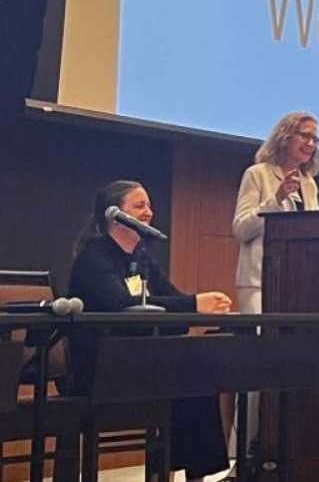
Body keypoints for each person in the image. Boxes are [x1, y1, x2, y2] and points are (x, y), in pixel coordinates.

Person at [68, 180, 233, 481]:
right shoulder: (94, 257)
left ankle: (190, 475)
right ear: (114, 214)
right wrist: (194, 305)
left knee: (197, 373)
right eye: (139, 205)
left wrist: (199, 306)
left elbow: (171, 297)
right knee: (185, 375)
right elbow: (122, 305)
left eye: (149, 205)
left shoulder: (142, 258)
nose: (149, 212)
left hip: (140, 363)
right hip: (99, 369)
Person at [231, 111, 319, 315]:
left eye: (314, 139)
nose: (310, 144)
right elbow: (241, 229)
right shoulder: (257, 174)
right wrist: (277, 198)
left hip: (298, 283)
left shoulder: (309, 184)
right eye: (305, 136)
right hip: (259, 282)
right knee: (263, 344)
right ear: (284, 137)